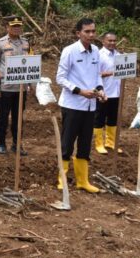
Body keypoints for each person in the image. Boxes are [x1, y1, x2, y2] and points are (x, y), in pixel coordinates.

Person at [55, 18, 106, 193]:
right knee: (67, 143)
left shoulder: (96, 51)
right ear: (78, 33)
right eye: (87, 31)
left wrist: (100, 89)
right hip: (73, 104)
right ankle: (62, 178)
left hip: (90, 105)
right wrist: (79, 91)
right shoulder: (69, 51)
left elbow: (97, 74)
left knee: (85, 143)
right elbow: (60, 78)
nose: (91, 35)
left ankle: (82, 180)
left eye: (93, 31)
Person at [0, 16, 32, 155]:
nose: (16, 28)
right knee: (2, 117)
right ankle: (1, 143)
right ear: (7, 28)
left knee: (18, 118)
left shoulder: (26, 44)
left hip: (20, 88)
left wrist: (30, 82)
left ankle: (17, 144)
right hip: (5, 87)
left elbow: (31, 63)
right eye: (13, 26)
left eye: (19, 26)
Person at [95, 32, 121, 154]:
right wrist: (112, 73)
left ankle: (111, 142)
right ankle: (99, 143)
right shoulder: (99, 55)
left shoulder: (119, 56)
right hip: (103, 92)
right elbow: (95, 74)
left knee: (113, 119)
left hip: (116, 92)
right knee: (99, 118)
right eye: (109, 41)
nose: (112, 43)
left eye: (114, 41)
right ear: (103, 41)